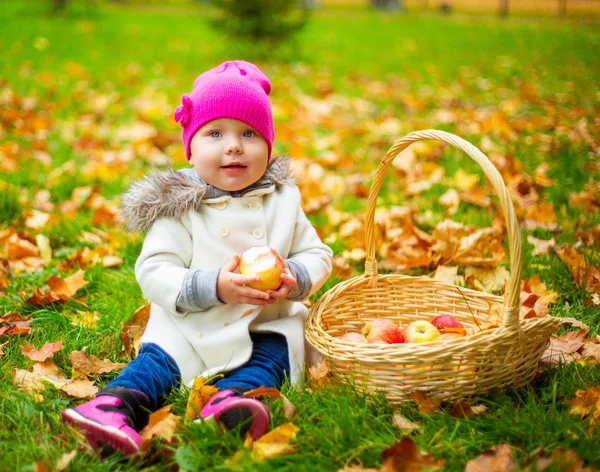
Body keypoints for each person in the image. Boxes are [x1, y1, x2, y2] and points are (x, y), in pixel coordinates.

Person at [61, 60, 333, 457]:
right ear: (192, 146)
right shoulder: (180, 207)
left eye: (250, 133)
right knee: (158, 361)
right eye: (216, 133)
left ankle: (234, 398)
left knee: (276, 348)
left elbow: (317, 253)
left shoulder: (283, 199)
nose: (234, 145)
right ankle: (113, 405)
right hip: (191, 323)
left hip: (262, 321)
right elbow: (154, 270)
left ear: (269, 146)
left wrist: (293, 273)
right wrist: (213, 287)